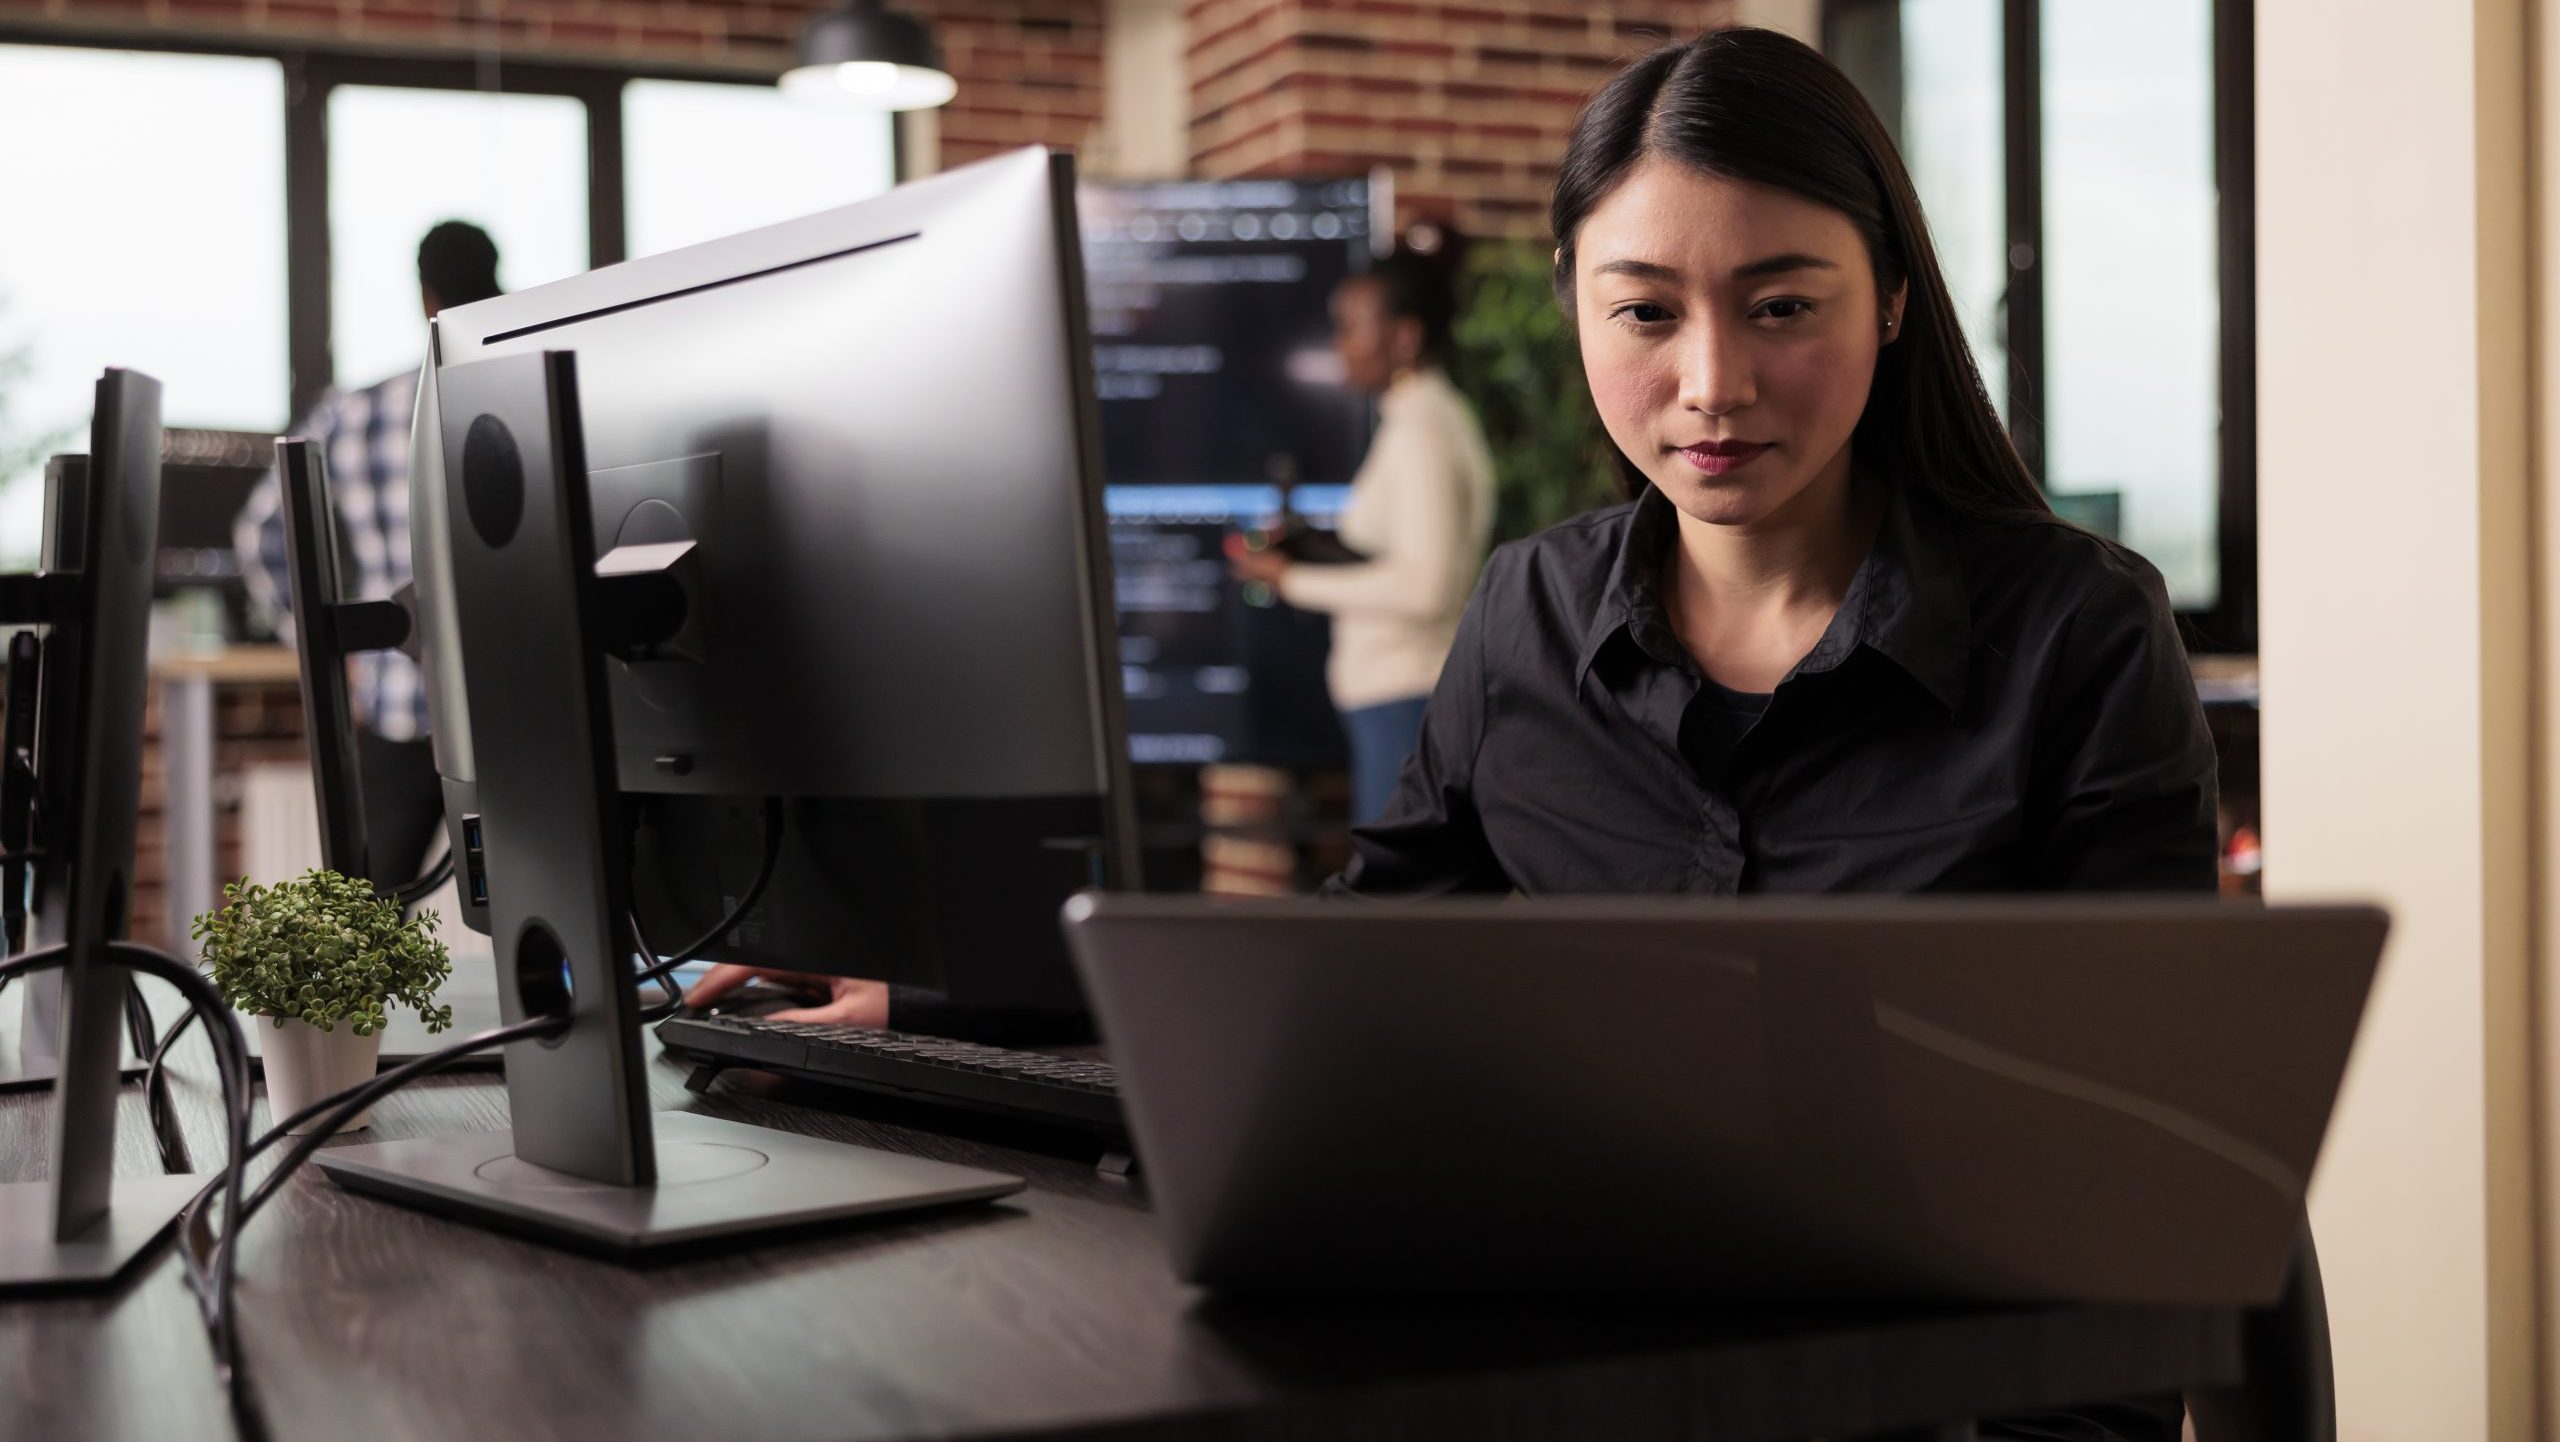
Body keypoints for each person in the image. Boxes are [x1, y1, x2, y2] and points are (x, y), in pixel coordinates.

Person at [1325, 27, 2211, 1442]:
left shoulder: (2078, 634)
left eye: (1784, 306)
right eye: (1645, 312)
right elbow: (1336, 990)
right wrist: (965, 1017)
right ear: (1575, 305)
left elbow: (2134, 1175)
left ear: (1896, 301)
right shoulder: (1525, 617)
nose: (1713, 384)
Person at [234, 220, 503, 891]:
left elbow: (259, 533)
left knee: (364, 923)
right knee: (548, 916)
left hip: (396, 701)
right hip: (513, 708)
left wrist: (327, 645)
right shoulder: (531, 394)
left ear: (426, 295)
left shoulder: (354, 413)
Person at [1226, 242, 1497, 823]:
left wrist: (1290, 579)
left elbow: (1427, 588)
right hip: (1396, 703)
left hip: (1408, 702)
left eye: (1351, 327)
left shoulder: (1423, 430)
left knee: (1395, 907)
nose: (1339, 344)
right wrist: (1314, 546)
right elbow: (1394, 553)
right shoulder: (1416, 420)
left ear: (1405, 337)